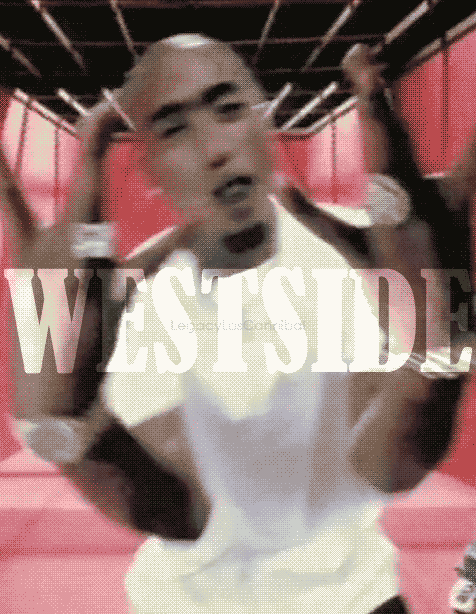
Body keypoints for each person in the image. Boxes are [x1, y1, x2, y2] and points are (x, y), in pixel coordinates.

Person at [1, 35, 474, 614]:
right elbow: (182, 513)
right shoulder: (132, 299)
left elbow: (389, 468)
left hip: (358, 598)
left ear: (263, 122)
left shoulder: (363, 254)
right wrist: (70, 434)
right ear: (151, 169)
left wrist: (438, 356)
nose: (214, 148)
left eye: (228, 109)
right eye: (174, 129)